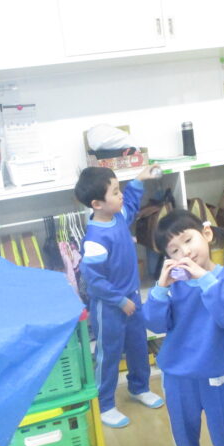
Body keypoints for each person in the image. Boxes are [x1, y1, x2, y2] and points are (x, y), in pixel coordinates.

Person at [142, 210, 224, 446]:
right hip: (177, 376)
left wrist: (204, 279)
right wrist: (160, 288)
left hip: (218, 374)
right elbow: (155, 324)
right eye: (174, 250)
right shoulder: (172, 286)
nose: (185, 252)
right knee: (183, 433)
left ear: (207, 234)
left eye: (188, 240)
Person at [75, 165, 164, 428]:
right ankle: (104, 404)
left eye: (119, 188)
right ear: (97, 204)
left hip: (132, 298)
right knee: (109, 354)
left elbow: (132, 203)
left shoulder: (119, 216)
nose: (120, 194)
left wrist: (138, 180)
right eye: (115, 192)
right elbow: (94, 281)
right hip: (109, 306)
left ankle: (139, 387)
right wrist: (119, 300)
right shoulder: (95, 239)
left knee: (138, 346)